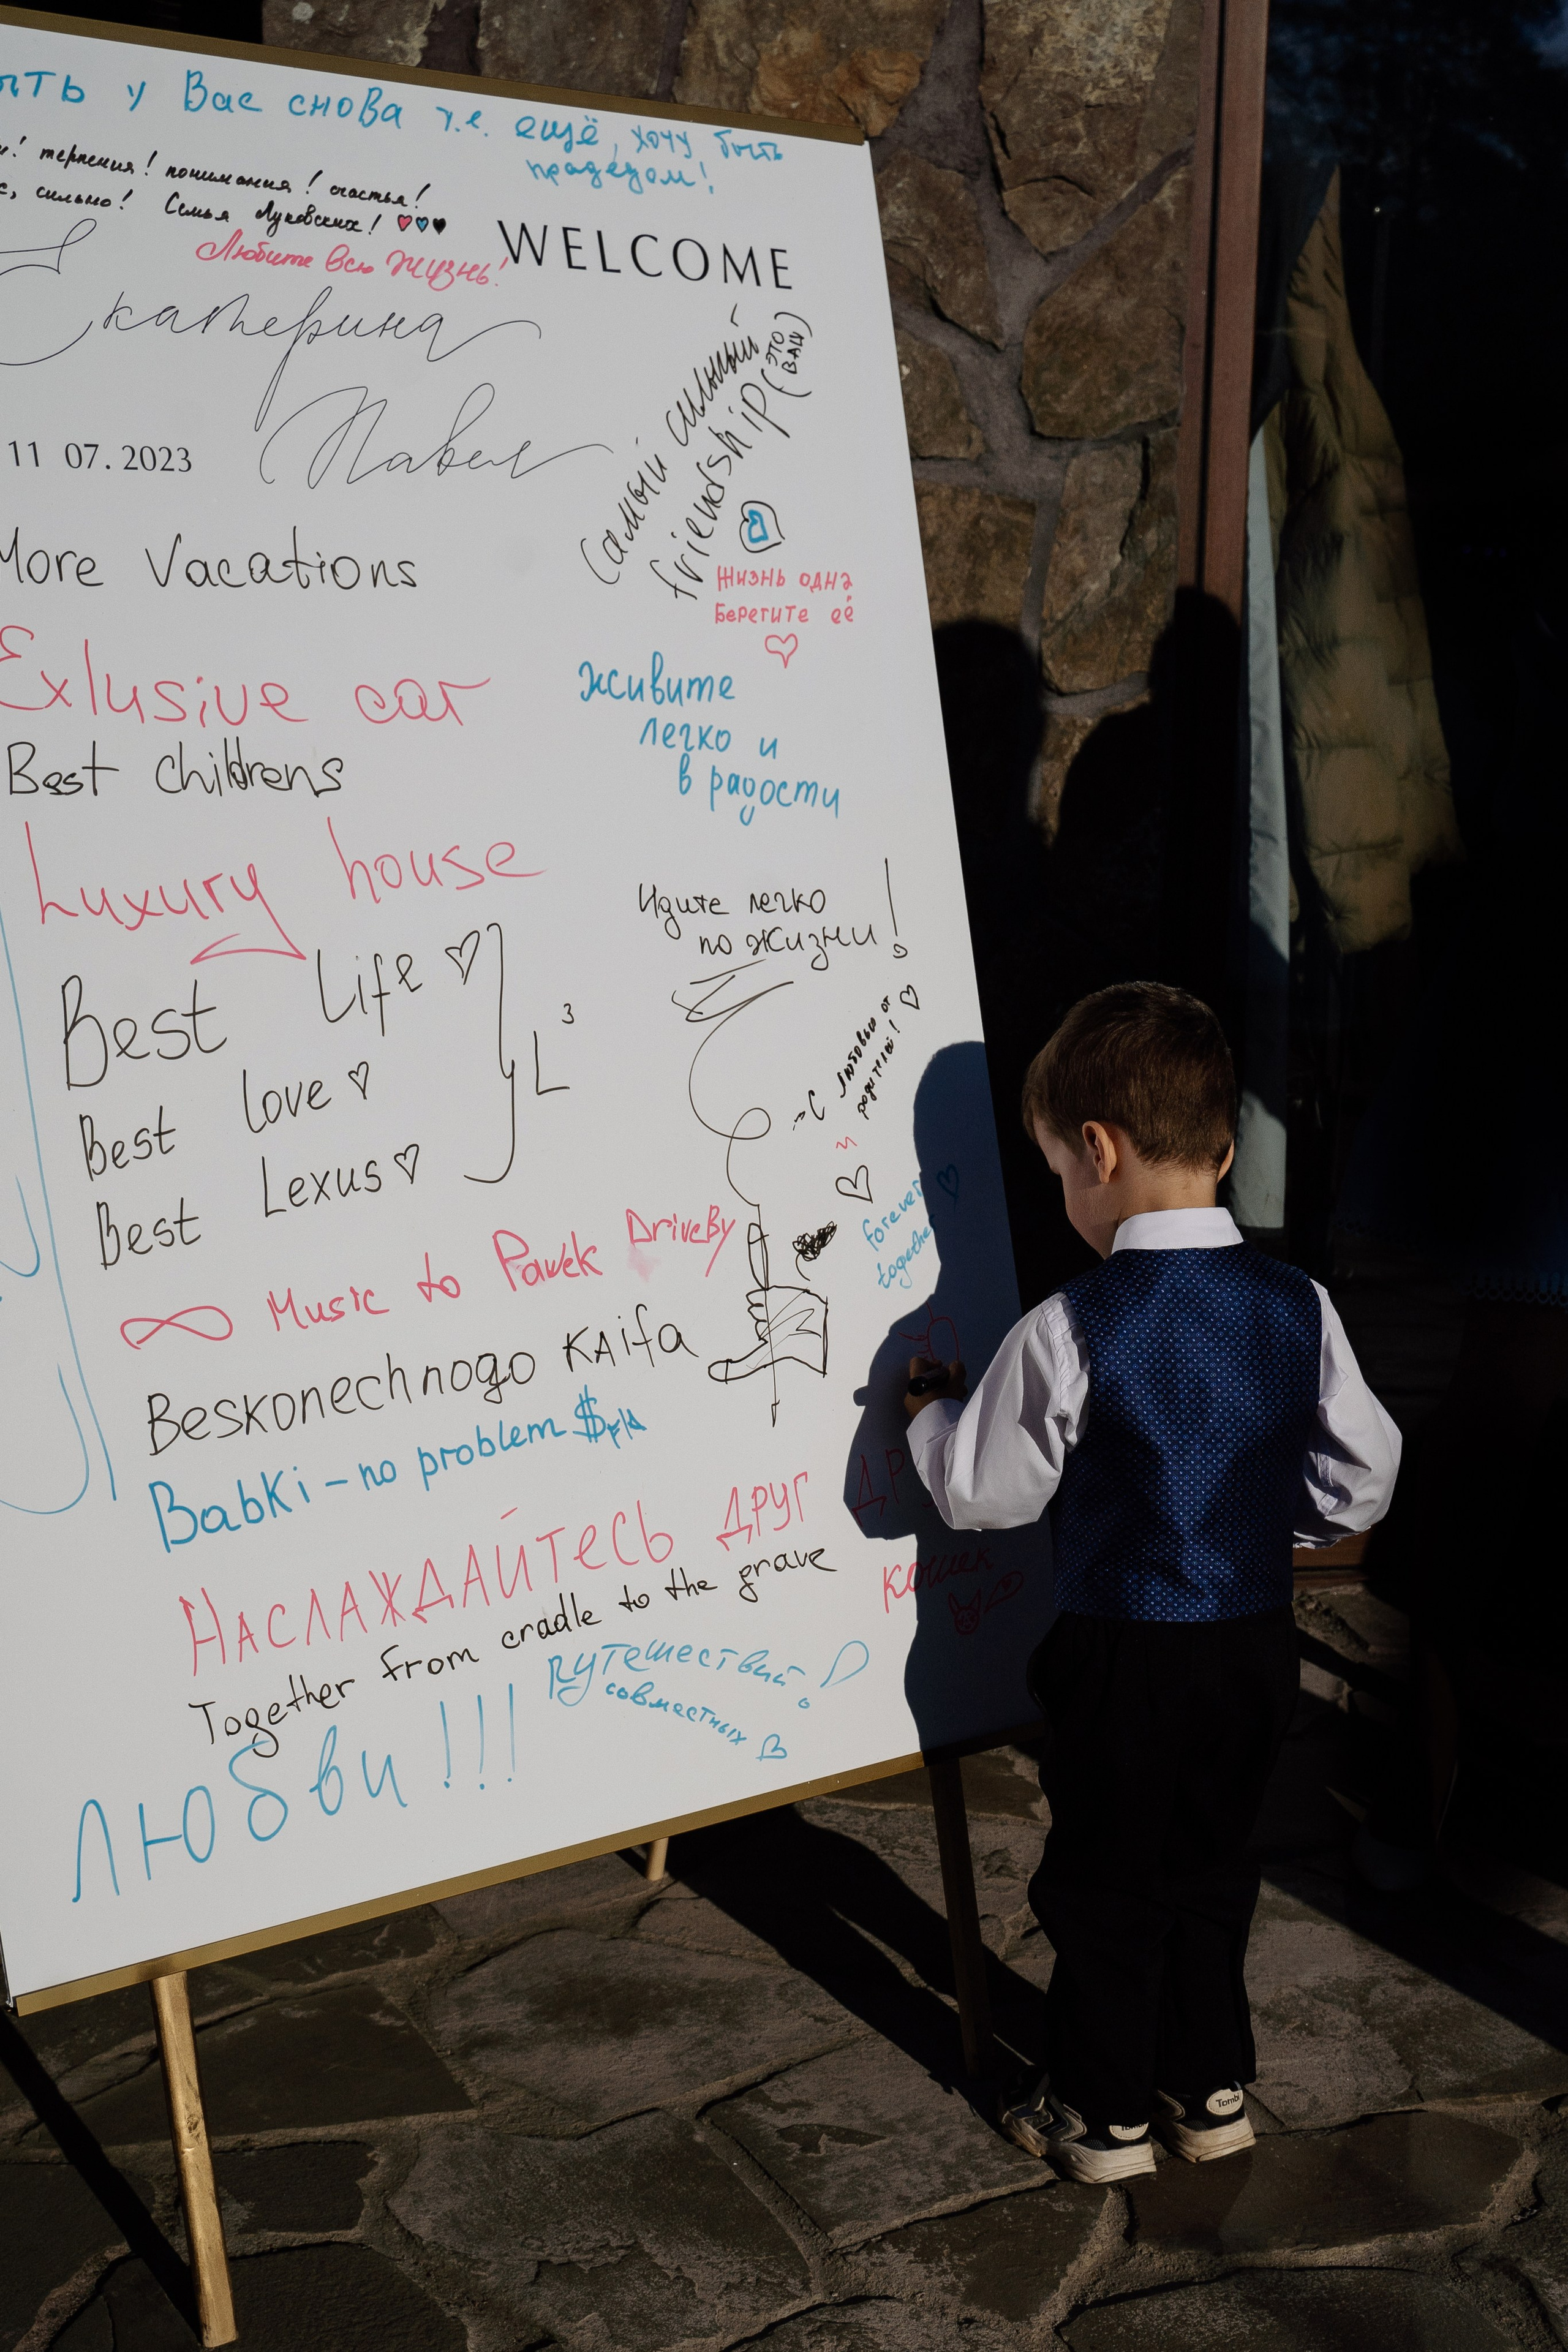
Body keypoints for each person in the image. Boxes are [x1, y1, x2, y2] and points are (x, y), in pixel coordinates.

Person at [902, 984, 1401, 2184]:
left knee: (1103, 1878)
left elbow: (985, 1493)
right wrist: (1265, 1527)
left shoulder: (1073, 1322)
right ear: (1222, 1151)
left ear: (1097, 1151)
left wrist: (927, 1417)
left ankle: (1101, 2110)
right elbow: (1363, 1474)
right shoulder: (1297, 1303)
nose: (1064, 1202)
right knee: (1212, 1861)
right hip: (1247, 1644)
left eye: (1056, 1176)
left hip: (1120, 1647)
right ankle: (1207, 2086)